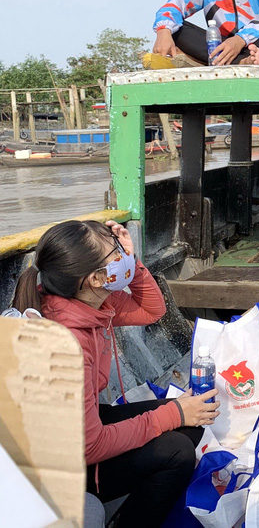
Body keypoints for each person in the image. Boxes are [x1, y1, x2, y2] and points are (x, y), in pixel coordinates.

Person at [12, 220, 220, 527]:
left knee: (191, 424)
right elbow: (90, 446)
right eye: (116, 252)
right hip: (55, 468)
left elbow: (151, 311)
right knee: (176, 449)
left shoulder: (85, 300)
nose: (122, 253)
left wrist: (132, 265)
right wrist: (174, 413)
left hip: (74, 433)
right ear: (97, 278)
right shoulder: (67, 344)